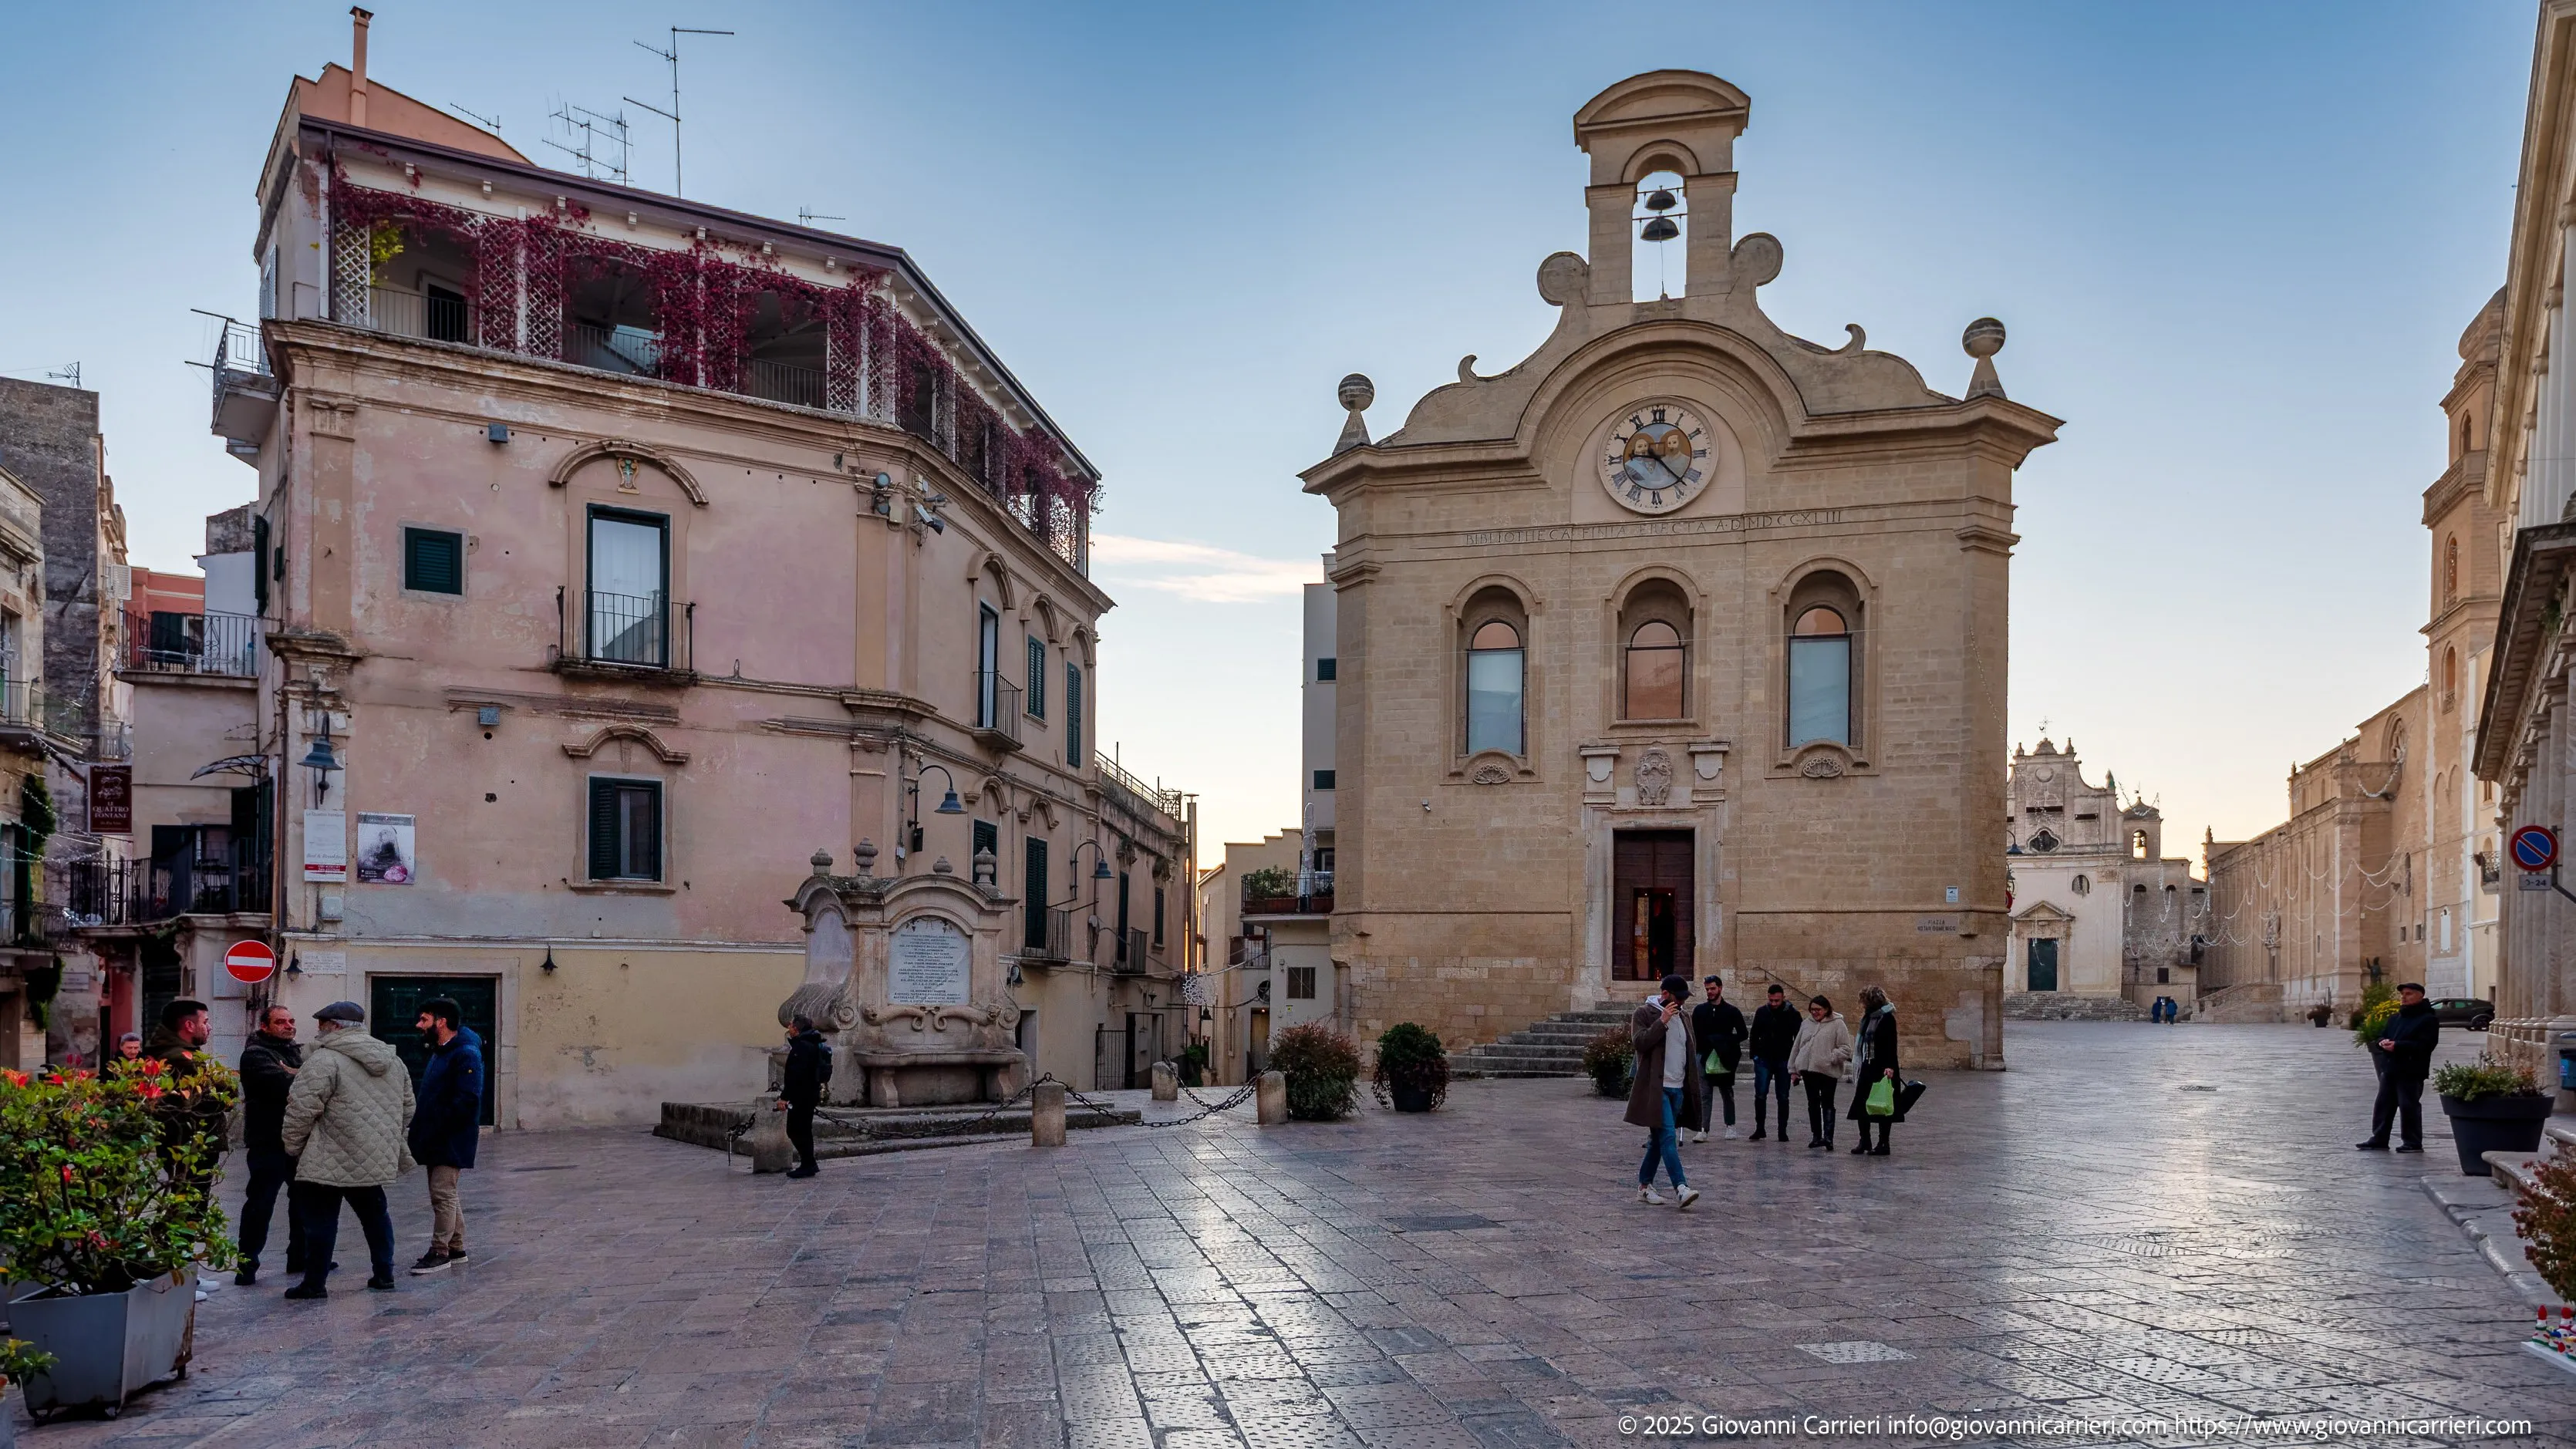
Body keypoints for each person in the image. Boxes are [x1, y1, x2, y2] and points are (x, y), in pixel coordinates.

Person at [279, 1000, 413, 1299]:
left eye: (322, 1025)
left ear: (336, 1027)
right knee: (376, 1217)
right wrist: (383, 1137)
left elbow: (301, 1109)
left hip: (327, 1153)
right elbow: (408, 1107)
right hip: (372, 1154)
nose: (318, 1030)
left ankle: (314, 1284)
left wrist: (294, 1146)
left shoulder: (324, 1060)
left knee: (321, 1222)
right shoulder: (392, 1059)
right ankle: (384, 1274)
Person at [406, 997, 484, 1275]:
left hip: (451, 1137)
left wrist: (440, 1125)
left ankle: (440, 1251)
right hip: (436, 1135)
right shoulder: (442, 1051)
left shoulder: (465, 1054)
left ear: (441, 1022)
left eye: (424, 1019)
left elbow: (468, 1099)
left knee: (442, 1194)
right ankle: (456, 1247)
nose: (419, 1025)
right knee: (446, 1193)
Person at [235, 1004, 307, 1286]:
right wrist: (304, 1074)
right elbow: (286, 1085)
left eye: (291, 1021)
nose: (289, 1026)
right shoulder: (255, 1054)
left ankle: (300, 1256)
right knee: (260, 1204)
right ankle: (247, 1264)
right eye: (281, 1022)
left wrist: (296, 1071)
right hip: (267, 1140)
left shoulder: (294, 1052)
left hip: (296, 1138)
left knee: (302, 1201)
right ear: (265, 1026)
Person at [1624, 975, 1704, 1208]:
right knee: (1668, 1136)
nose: (1682, 1003)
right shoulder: (1644, 1014)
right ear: (1666, 994)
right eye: (1679, 998)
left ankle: (1644, 1187)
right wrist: (1662, 1021)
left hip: (1678, 1087)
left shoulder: (1685, 1017)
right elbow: (1640, 1042)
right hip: (1656, 1088)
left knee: (1658, 1141)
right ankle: (1681, 1188)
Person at [2359, 982, 2441, 1153]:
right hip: (2390, 1068)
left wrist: (2398, 1046)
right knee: (2383, 1105)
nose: (2404, 997)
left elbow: (2426, 1045)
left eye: (2409, 994)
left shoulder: (2428, 1020)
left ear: (2420, 996)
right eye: (2402, 994)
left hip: (2411, 1069)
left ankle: (2412, 1142)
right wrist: (2382, 1042)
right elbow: (2383, 1035)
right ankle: (2379, 1138)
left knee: (2408, 1106)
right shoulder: (2395, 1018)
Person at [1786, 995, 1853, 1149]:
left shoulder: (1838, 1024)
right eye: (1812, 1009)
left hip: (1828, 1070)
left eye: (1818, 1009)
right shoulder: (1806, 1023)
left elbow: (1846, 1048)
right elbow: (1797, 1046)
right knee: (1813, 1103)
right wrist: (1793, 1069)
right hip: (1809, 1070)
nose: (1815, 1012)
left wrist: (1830, 1057)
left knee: (1828, 1102)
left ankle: (1828, 1138)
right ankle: (1816, 1136)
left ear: (1826, 1009)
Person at [1846, 986, 1903, 1156]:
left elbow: (1891, 1044)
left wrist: (1890, 1067)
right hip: (1868, 1065)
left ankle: (1883, 1142)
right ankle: (1864, 1140)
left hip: (1883, 1068)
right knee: (1861, 1104)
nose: (1862, 1004)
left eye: (1864, 1001)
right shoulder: (1867, 1018)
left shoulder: (1887, 1018)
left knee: (1882, 1105)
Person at [1688, 975, 1746, 1142]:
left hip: (1724, 1056)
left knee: (1726, 1092)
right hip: (1703, 1055)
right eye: (1707, 989)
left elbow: (1743, 1034)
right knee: (1704, 1094)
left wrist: (1723, 1041)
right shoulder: (1699, 1011)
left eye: (1713, 988)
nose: (1710, 992)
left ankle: (1730, 1126)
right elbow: (1694, 1033)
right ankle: (1703, 1129)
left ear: (1720, 988)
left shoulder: (1732, 1011)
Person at [776, 1015, 831, 1179]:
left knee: (795, 1129)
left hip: (802, 1095)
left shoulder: (802, 1047)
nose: (789, 1027)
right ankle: (809, 1163)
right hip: (810, 1092)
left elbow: (796, 1075)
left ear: (797, 1028)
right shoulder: (812, 1043)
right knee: (803, 1129)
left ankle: (808, 1164)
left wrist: (784, 1098)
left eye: (791, 1025)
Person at [1745, 983, 1799, 1142]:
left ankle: (1782, 1130)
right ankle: (1760, 1128)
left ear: (1783, 998)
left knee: (1783, 1096)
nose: (1774, 1003)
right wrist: (1755, 1055)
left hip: (1784, 1059)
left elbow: (1798, 1038)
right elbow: (1754, 1034)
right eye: (1771, 1000)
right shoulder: (1762, 1012)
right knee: (1760, 1094)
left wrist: (1795, 1061)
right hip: (1764, 1059)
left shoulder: (1792, 1014)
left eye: (1777, 1001)